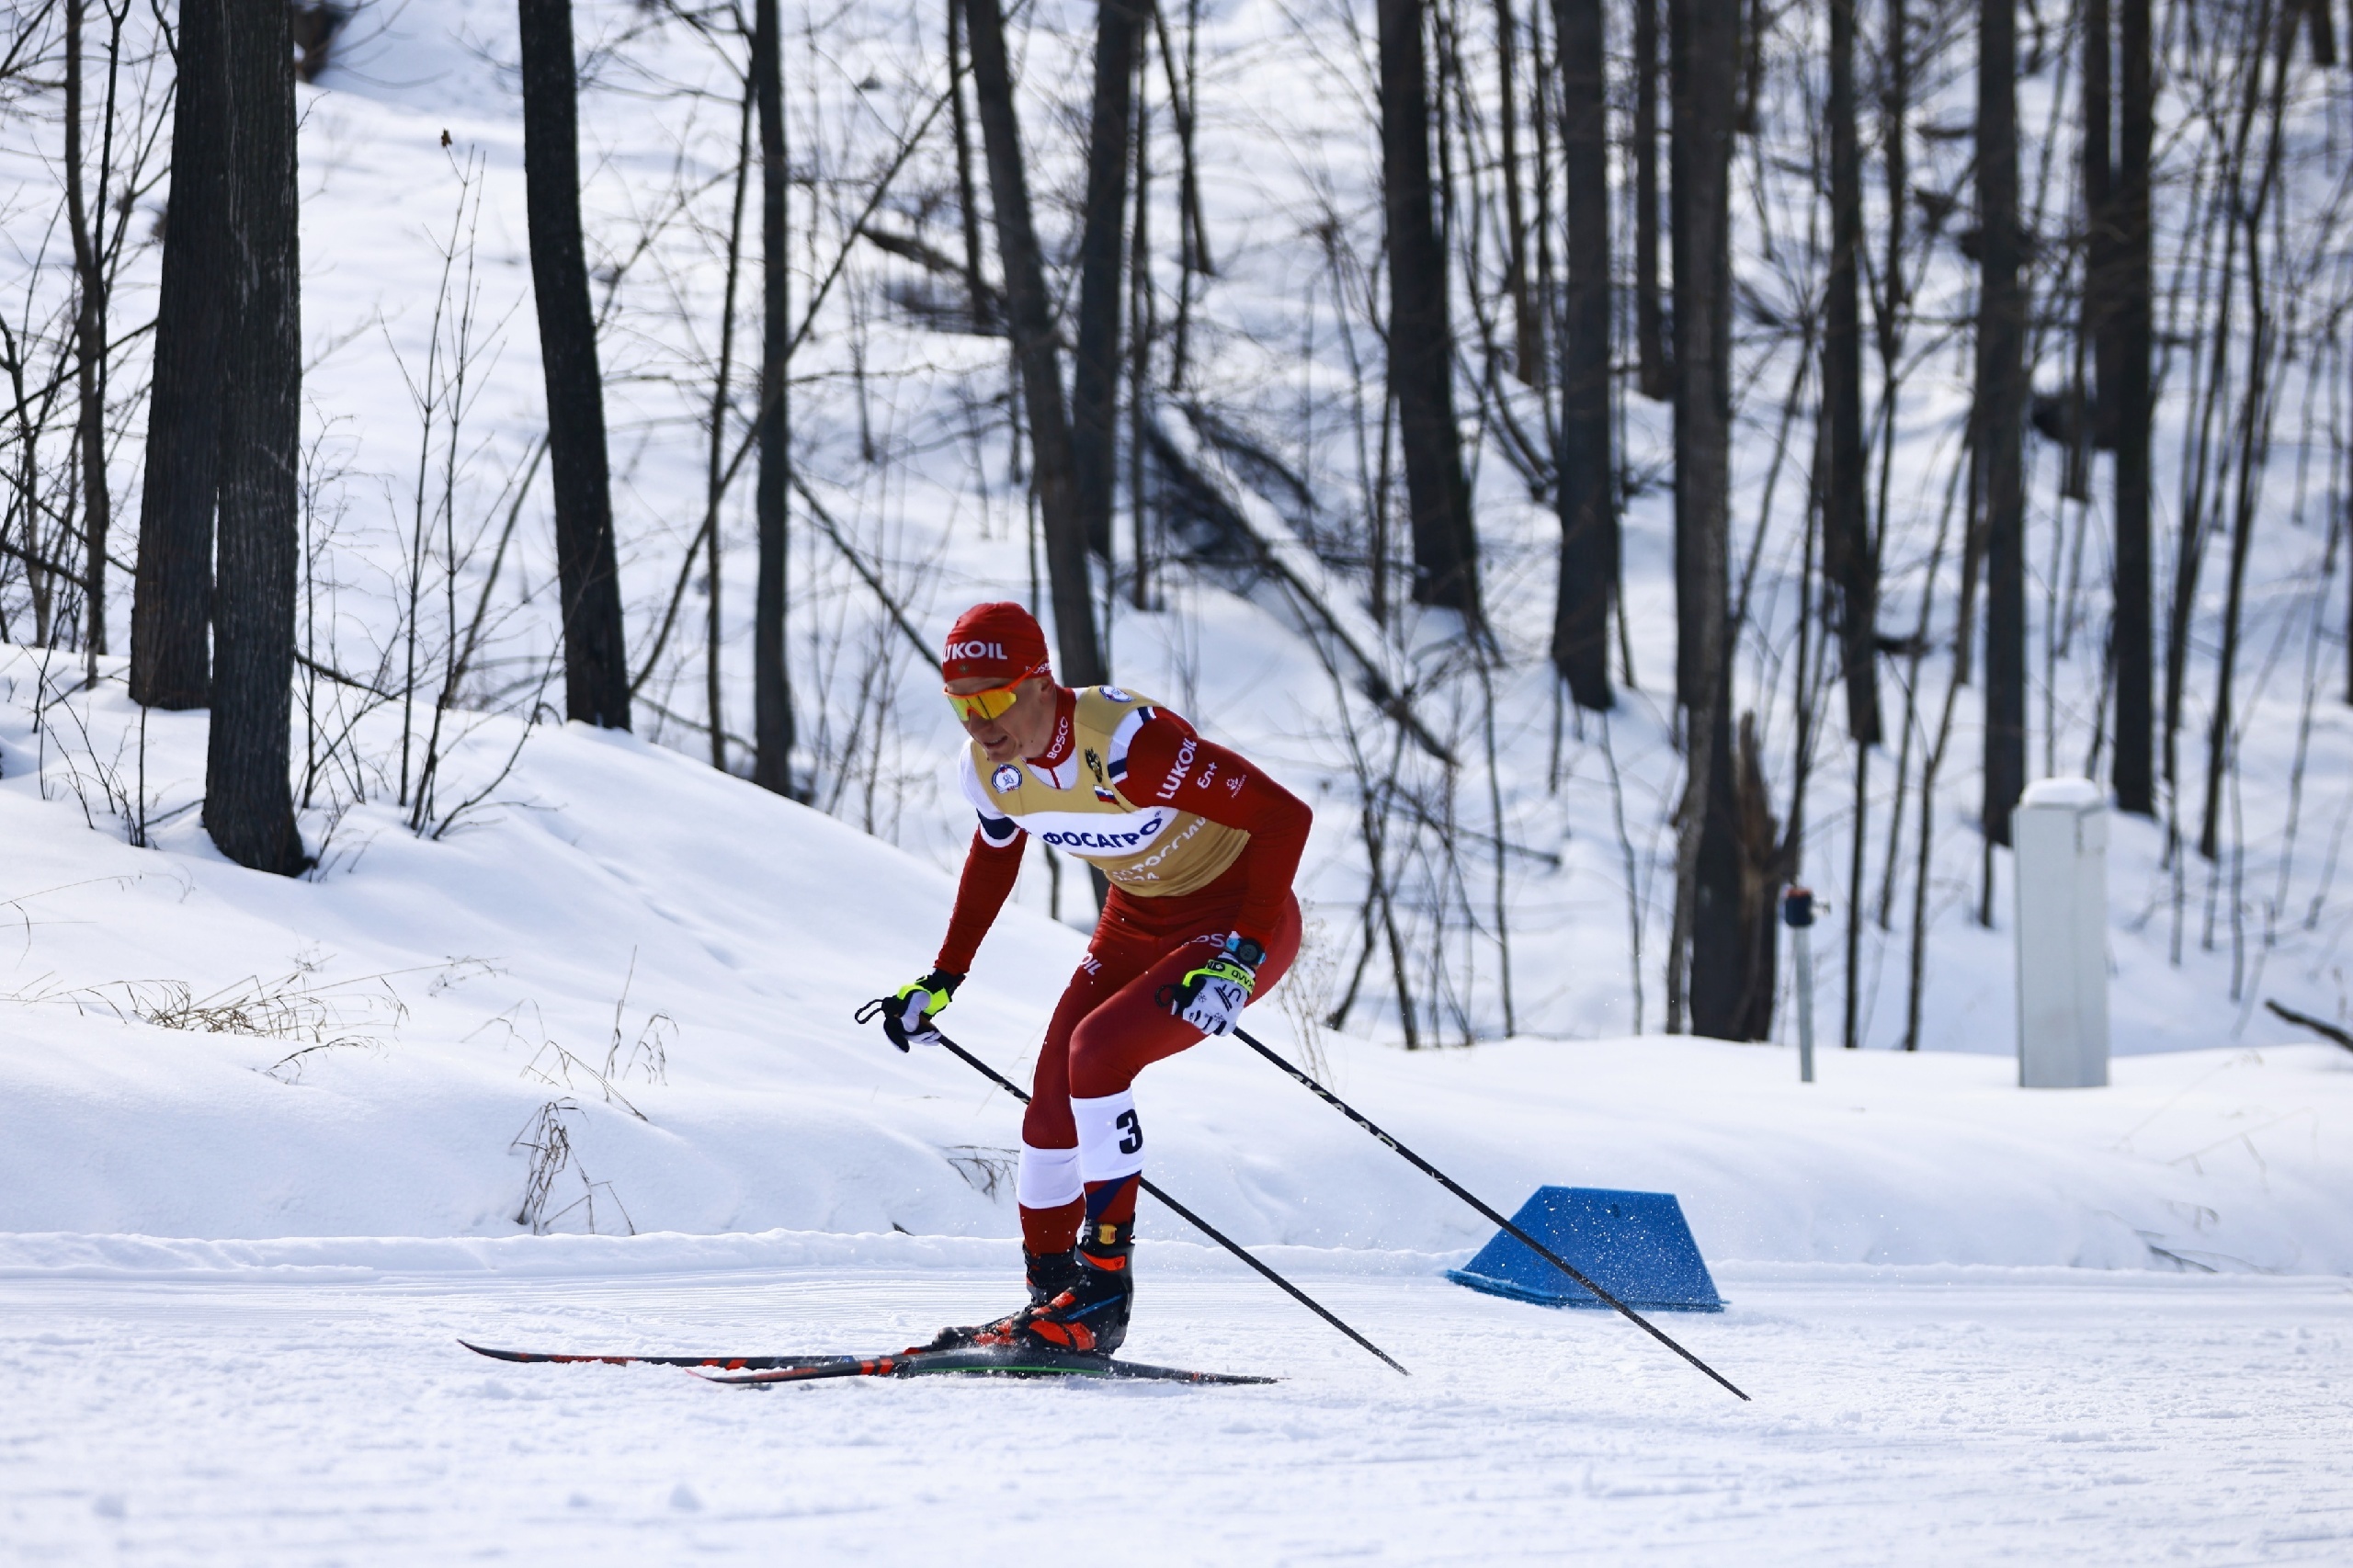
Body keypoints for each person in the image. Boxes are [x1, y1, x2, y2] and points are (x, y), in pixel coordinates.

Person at [878, 601, 1310, 1355]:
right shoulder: (989, 768)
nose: (980, 723)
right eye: (960, 705)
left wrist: (1238, 956)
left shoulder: (1130, 746)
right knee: (1049, 1106)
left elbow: (1285, 817)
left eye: (993, 699)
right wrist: (942, 978)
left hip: (1239, 914)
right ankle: (1054, 1299)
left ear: (1041, 683)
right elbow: (993, 860)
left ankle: (1105, 1287)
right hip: (1137, 919)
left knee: (1098, 1053)